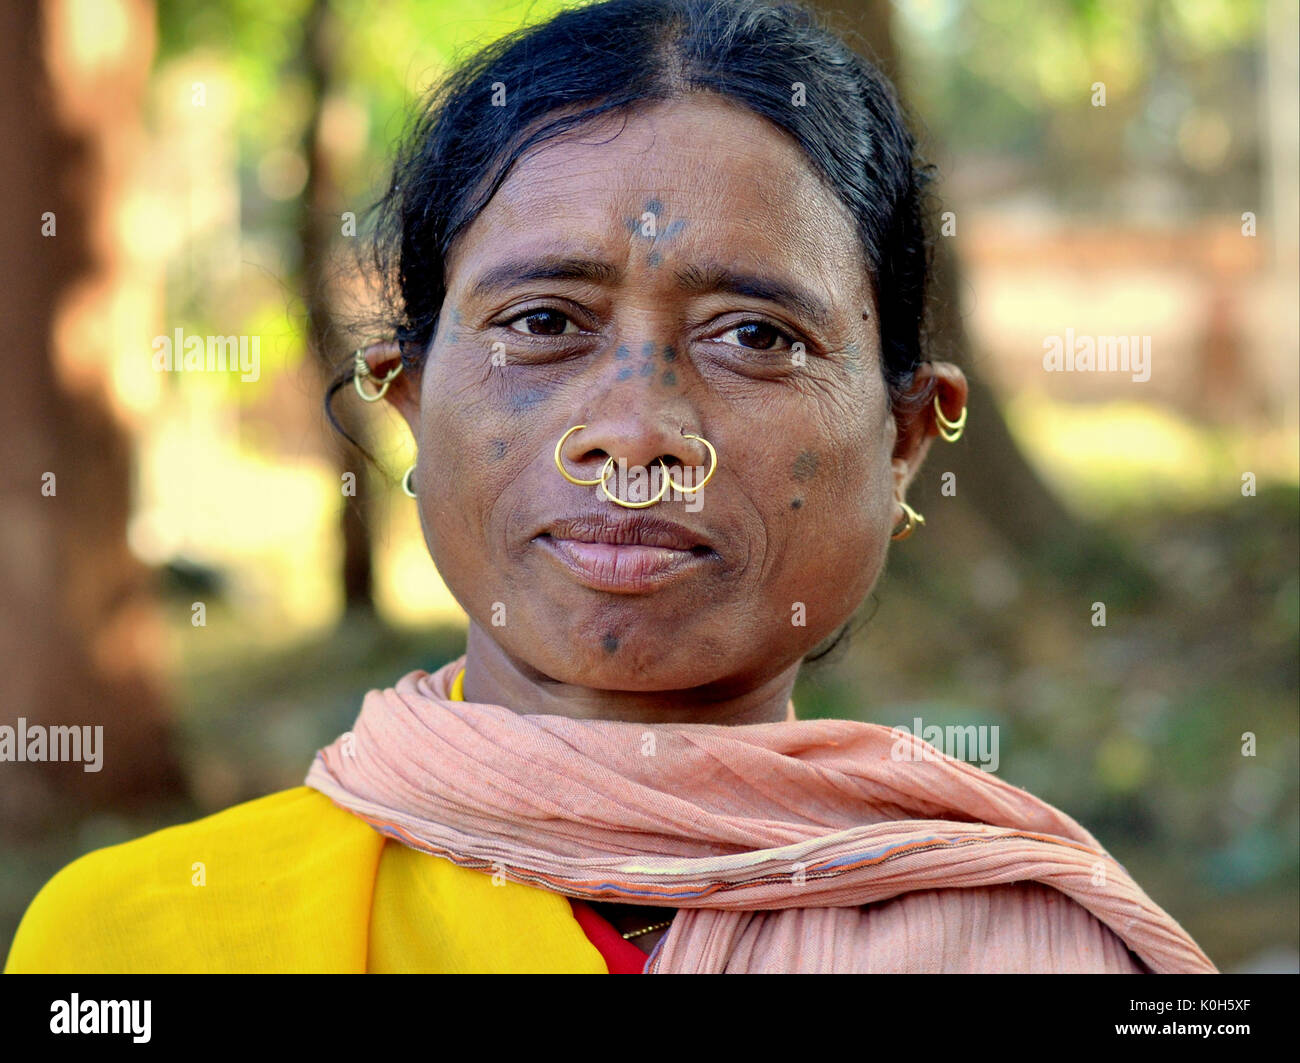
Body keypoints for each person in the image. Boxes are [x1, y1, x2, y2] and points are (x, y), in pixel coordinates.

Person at [5, 0, 1215, 974]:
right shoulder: (143, 943)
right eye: (543, 321)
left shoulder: (1045, 949)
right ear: (408, 395)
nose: (635, 433)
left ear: (903, 435)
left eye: (755, 335)